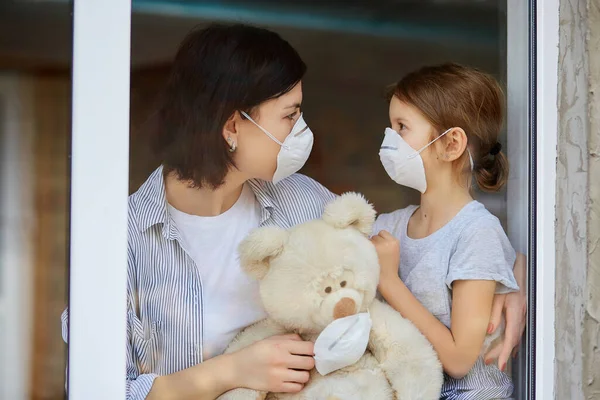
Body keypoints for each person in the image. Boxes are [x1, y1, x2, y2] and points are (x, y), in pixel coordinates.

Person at [61, 24, 526, 400]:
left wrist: (512, 280)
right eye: (289, 115)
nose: (304, 131)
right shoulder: (120, 240)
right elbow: (96, 389)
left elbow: (393, 267)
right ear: (231, 127)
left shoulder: (303, 202)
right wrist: (229, 373)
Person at [371, 63, 525, 399]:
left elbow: (458, 359)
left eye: (401, 127)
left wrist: (389, 281)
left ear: (451, 144)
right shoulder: (389, 226)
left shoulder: (477, 232)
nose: (389, 140)